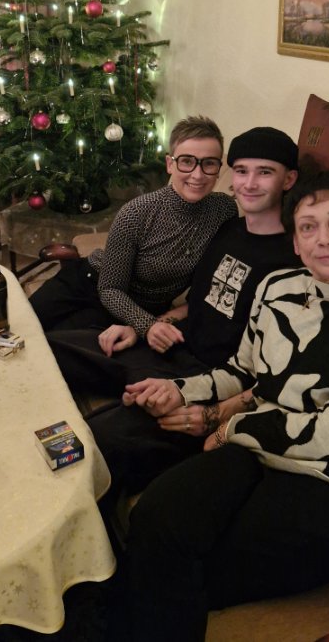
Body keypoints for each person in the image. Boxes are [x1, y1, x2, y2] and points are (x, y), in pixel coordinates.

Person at [109, 170, 329, 642]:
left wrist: (230, 428)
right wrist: (180, 390)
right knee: (156, 519)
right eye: (308, 227)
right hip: (258, 452)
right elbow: (243, 370)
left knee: (193, 570)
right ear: (295, 243)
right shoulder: (277, 286)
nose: (324, 238)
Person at [88, 126, 300, 492]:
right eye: (241, 171)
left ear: (289, 179)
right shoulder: (228, 228)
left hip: (215, 378)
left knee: (99, 440)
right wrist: (146, 326)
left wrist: (216, 414)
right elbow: (197, 302)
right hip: (175, 347)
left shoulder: (294, 257)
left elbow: (281, 374)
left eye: (265, 172)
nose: (249, 183)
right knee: (60, 353)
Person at [30, 115, 238, 340]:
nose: (197, 174)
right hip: (89, 283)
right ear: (170, 164)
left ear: (219, 168)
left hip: (132, 310)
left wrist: (150, 323)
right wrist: (147, 325)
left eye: (209, 163)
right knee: (21, 328)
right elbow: (109, 289)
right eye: (187, 161)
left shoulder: (224, 210)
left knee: (56, 346)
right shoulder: (137, 212)